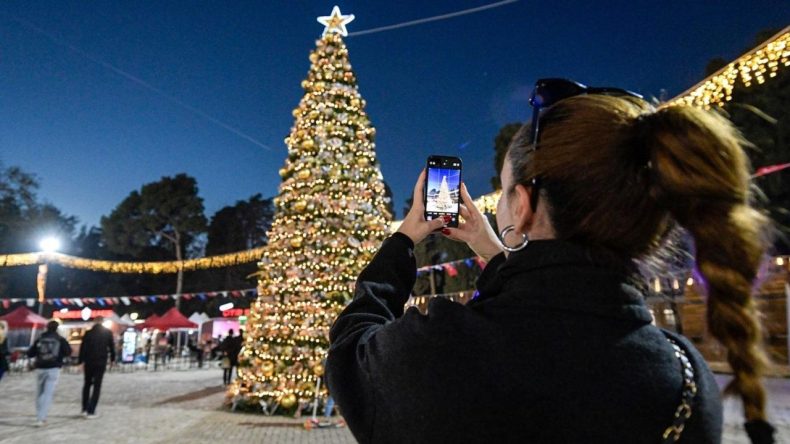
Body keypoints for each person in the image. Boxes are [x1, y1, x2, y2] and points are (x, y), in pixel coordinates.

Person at [326, 78, 776, 443]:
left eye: (504, 191)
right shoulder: (686, 379)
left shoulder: (440, 352)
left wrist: (406, 236)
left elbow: (350, 349)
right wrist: (493, 249)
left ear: (522, 204)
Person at [27, 319, 72, 426]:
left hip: (40, 367)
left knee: (39, 393)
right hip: (53, 368)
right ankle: (42, 418)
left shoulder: (40, 338)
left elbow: (30, 353)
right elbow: (68, 352)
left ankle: (39, 416)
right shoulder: (60, 339)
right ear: (57, 328)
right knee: (48, 393)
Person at [78, 316, 115, 418]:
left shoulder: (88, 333)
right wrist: (112, 359)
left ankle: (84, 408)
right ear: (102, 322)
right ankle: (91, 410)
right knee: (97, 386)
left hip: (89, 361)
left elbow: (83, 348)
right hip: (100, 361)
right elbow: (111, 347)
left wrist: (80, 361)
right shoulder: (107, 333)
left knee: (87, 384)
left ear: (94, 322)